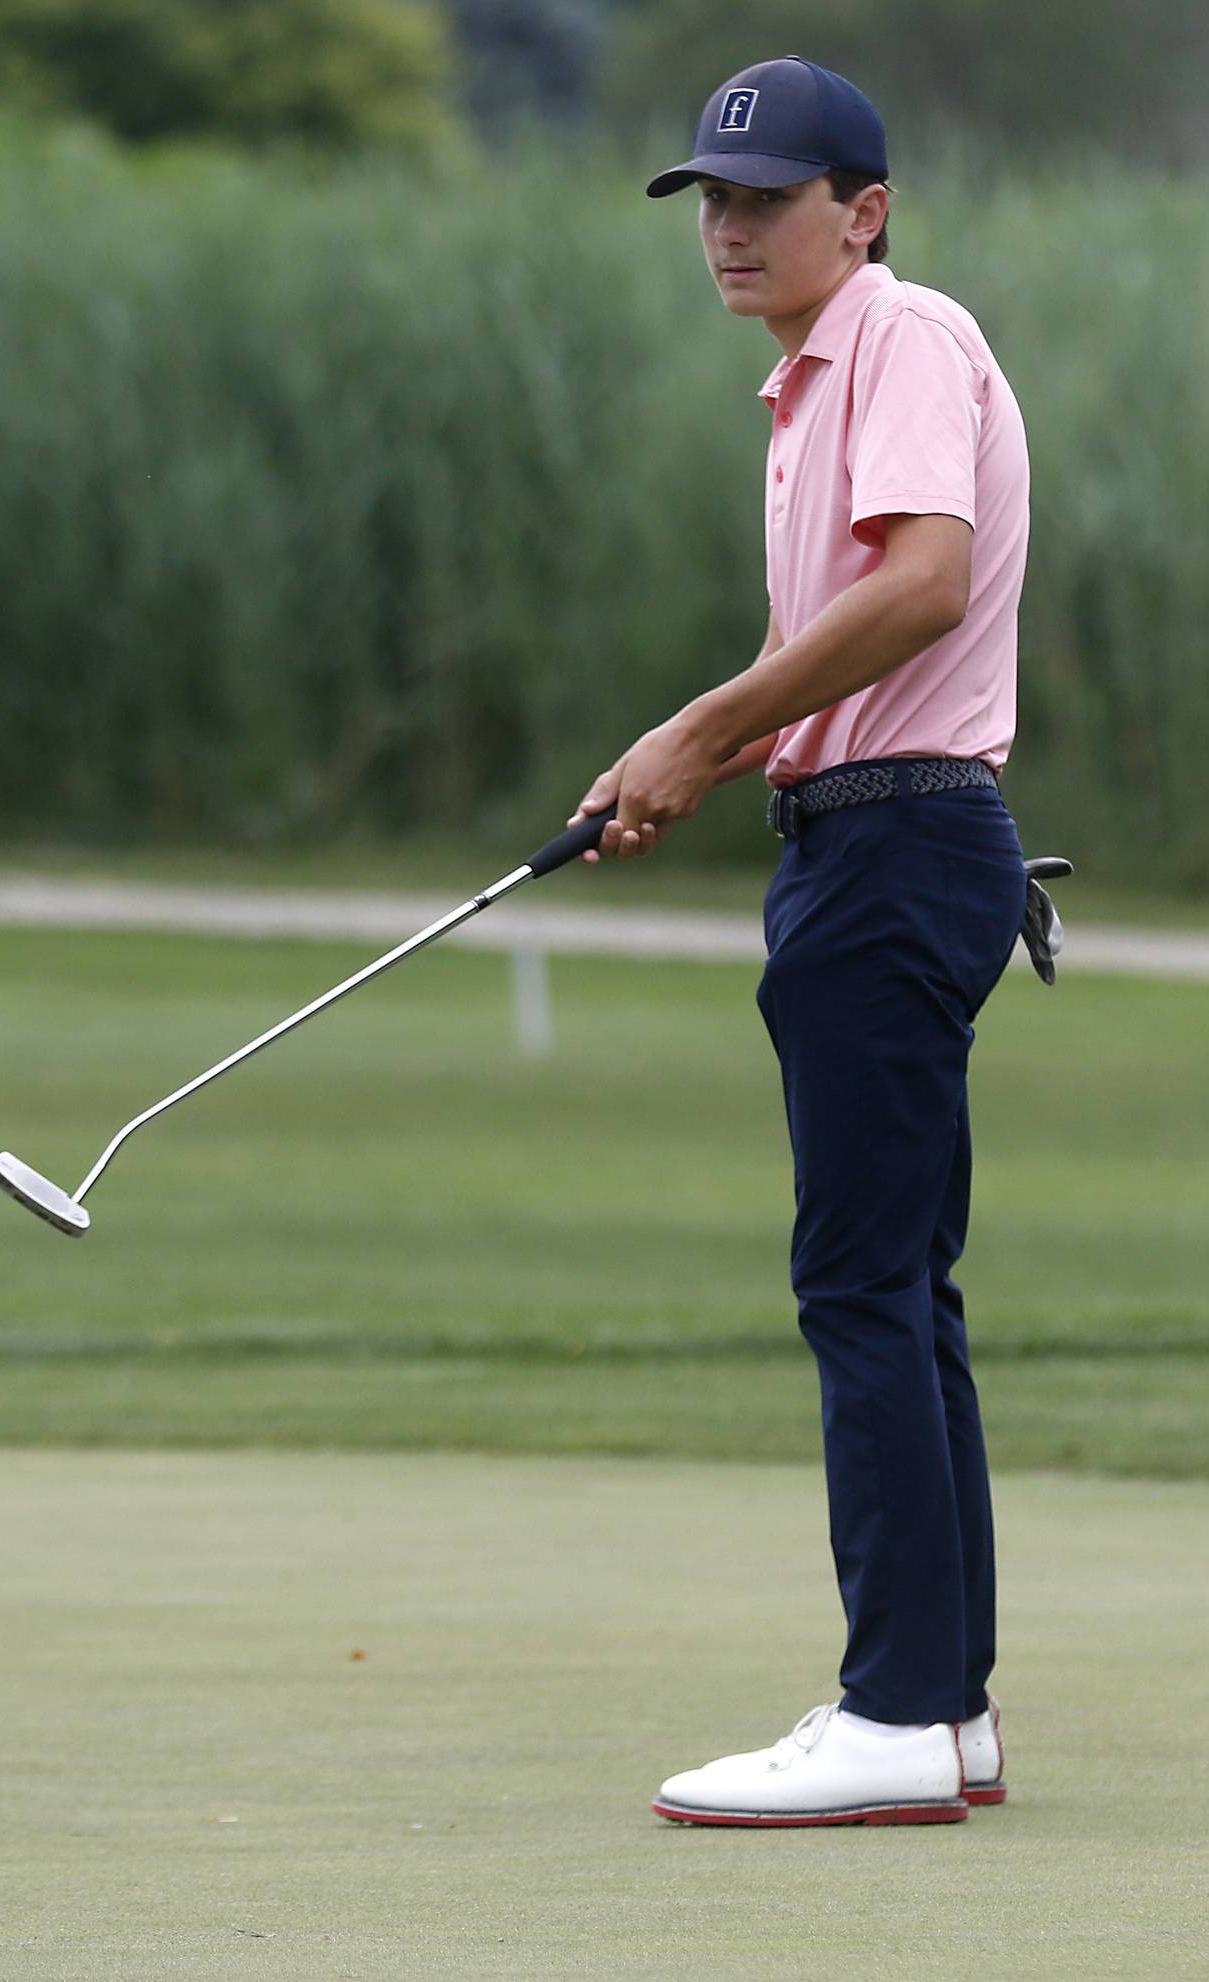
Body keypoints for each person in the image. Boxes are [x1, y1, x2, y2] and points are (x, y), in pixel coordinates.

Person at [568, 54, 1028, 1827]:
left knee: (859, 1284)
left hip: (899, 850)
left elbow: (920, 579)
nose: (734, 228)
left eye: (771, 198)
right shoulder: (802, 390)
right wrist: (687, 757)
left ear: (867, 211)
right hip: (877, 837)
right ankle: (953, 1708)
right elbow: (859, 650)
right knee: (906, 1286)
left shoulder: (904, 335)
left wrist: (702, 722)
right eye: (715, 200)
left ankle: (899, 1706)